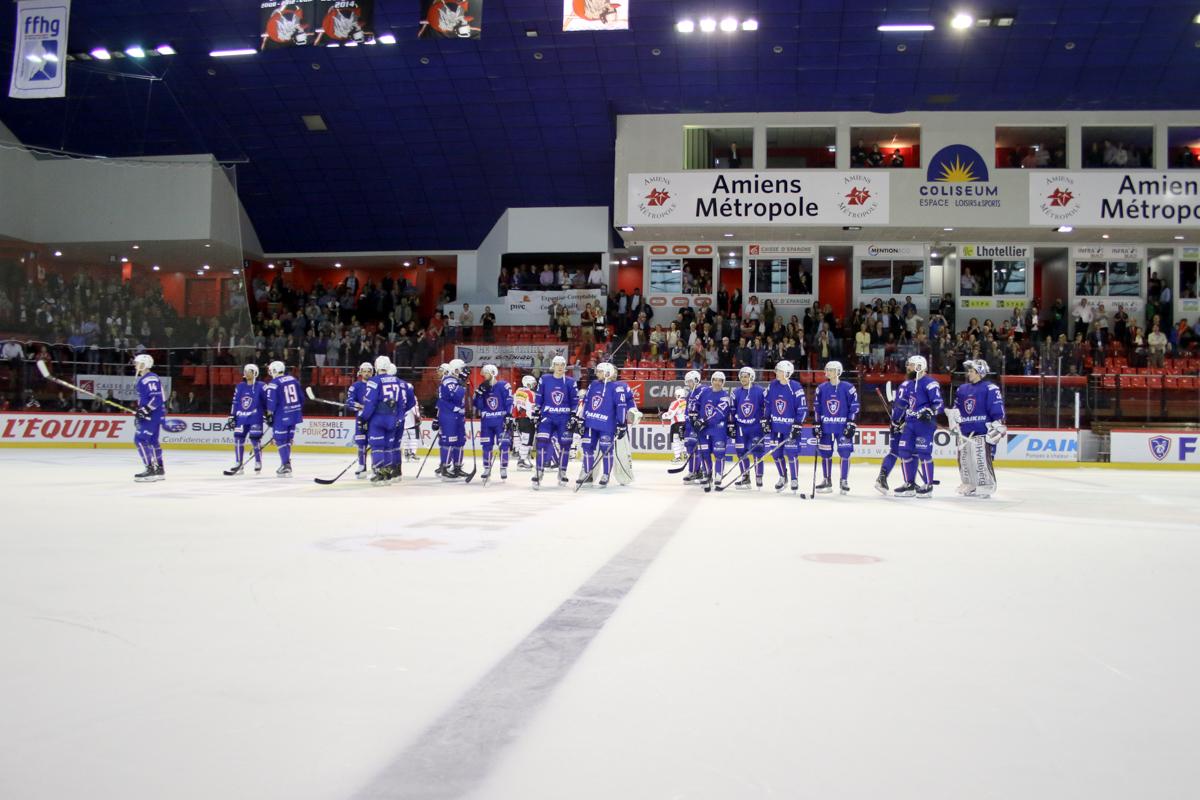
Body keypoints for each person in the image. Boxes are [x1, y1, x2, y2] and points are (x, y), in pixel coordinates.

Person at [948, 359, 1006, 497]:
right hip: (965, 430)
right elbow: (957, 408)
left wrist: (998, 424)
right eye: (969, 371)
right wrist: (953, 418)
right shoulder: (962, 389)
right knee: (964, 460)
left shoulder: (990, 388)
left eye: (971, 371)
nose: (968, 373)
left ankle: (986, 485)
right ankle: (969, 483)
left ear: (980, 372)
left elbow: (996, 409)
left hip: (981, 430)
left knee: (980, 459)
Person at [894, 355, 943, 498]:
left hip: (924, 424)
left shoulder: (930, 383)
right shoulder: (909, 384)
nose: (907, 367)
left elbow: (938, 403)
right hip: (910, 423)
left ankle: (928, 485)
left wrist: (929, 412)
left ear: (919, 367)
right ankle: (909, 484)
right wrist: (897, 420)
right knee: (904, 451)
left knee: (924, 453)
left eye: (910, 365)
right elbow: (903, 404)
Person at [813, 360, 860, 495]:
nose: (828, 372)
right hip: (826, 427)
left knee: (845, 453)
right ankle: (826, 480)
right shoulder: (821, 388)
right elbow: (817, 408)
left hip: (842, 427)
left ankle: (844, 480)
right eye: (827, 369)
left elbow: (854, 407)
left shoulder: (848, 388)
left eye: (831, 370)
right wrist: (816, 423)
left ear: (838, 372)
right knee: (825, 454)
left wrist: (851, 423)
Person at [531, 355, 579, 489]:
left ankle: (562, 471)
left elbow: (575, 400)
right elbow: (539, 396)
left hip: (564, 418)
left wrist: (574, 415)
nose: (560, 367)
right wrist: (536, 411)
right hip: (547, 417)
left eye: (562, 364)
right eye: (557, 364)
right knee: (541, 442)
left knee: (565, 445)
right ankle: (539, 471)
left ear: (565, 366)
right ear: (553, 366)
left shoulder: (570, 382)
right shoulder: (545, 379)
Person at [577, 362, 624, 488]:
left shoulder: (617, 388)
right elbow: (586, 402)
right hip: (590, 423)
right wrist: (581, 419)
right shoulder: (593, 384)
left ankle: (606, 475)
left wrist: (621, 423)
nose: (596, 373)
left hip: (607, 425)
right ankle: (586, 473)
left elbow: (621, 407)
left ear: (607, 373)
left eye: (599, 371)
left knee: (606, 450)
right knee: (587, 448)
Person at [764, 359, 807, 494]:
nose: (776, 372)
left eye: (779, 371)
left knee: (792, 453)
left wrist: (798, 424)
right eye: (777, 370)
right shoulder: (772, 385)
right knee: (776, 454)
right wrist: (765, 419)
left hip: (790, 428)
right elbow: (768, 404)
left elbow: (802, 408)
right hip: (776, 427)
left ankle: (794, 478)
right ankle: (783, 476)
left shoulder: (796, 387)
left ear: (787, 373)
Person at [359, 356, 403, 484]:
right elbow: (401, 403)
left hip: (378, 418)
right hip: (392, 418)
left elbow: (370, 402)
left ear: (376, 366)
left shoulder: (374, 381)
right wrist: (398, 418)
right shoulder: (396, 381)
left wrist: (363, 418)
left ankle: (379, 473)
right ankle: (388, 474)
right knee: (388, 447)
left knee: (377, 446)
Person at [473, 364, 514, 483]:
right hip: (486, 422)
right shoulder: (482, 387)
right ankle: (487, 468)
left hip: (500, 421)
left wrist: (509, 415)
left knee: (504, 445)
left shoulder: (503, 385)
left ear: (492, 373)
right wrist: (479, 394)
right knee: (486, 446)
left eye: (486, 373)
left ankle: (503, 467)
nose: (484, 376)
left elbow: (509, 401)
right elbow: (479, 405)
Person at [694, 371, 734, 493]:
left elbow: (719, 413)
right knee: (704, 453)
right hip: (703, 430)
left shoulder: (725, 396)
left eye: (720, 381)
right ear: (711, 380)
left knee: (719, 454)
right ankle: (707, 474)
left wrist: (703, 421)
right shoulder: (704, 392)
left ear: (723, 382)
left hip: (718, 430)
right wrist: (694, 418)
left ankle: (718, 475)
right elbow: (695, 404)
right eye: (715, 380)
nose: (717, 382)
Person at [262, 361, 304, 477]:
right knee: (288, 440)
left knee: (280, 440)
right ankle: (285, 464)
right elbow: (301, 398)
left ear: (274, 370)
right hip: (295, 414)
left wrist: (269, 415)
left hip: (282, 415)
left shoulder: (274, 383)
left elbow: (271, 402)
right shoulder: (293, 379)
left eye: (271, 370)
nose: (270, 372)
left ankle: (286, 465)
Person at [224, 364, 266, 476]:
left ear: (255, 373)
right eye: (246, 371)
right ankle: (238, 463)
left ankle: (258, 461)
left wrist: (268, 414)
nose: (246, 373)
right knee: (238, 438)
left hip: (255, 417)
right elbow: (235, 402)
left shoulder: (262, 386)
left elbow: (267, 402)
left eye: (249, 371)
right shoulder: (240, 386)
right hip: (241, 417)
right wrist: (232, 416)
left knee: (255, 439)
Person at [728, 366, 767, 490]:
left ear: (752, 377)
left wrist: (766, 421)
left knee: (758, 452)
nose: (743, 379)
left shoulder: (760, 391)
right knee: (741, 453)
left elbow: (767, 407)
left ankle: (759, 476)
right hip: (741, 428)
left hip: (756, 427)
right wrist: (731, 424)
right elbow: (732, 410)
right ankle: (745, 478)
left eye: (746, 376)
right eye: (742, 376)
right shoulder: (735, 392)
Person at [874, 379, 912, 495]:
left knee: (896, 453)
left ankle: (883, 478)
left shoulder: (906, 388)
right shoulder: (909, 389)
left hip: (902, 426)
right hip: (900, 427)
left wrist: (897, 423)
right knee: (900, 453)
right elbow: (901, 409)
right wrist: (897, 423)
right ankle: (908, 482)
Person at [132, 354, 166, 482]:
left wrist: (145, 410)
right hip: (155, 414)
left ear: (144, 364)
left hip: (152, 415)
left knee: (140, 439)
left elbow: (156, 398)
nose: (135, 365)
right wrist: (141, 410)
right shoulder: (148, 378)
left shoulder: (149, 378)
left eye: (137, 363)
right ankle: (159, 469)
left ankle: (150, 470)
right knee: (152, 441)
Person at [435, 359, 468, 479]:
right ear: (456, 370)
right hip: (449, 415)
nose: (464, 371)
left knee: (460, 441)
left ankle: (457, 467)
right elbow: (456, 396)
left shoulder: (456, 380)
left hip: (458, 415)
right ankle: (445, 467)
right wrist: (462, 383)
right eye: (462, 369)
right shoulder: (449, 380)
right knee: (449, 441)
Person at [346, 362, 374, 478]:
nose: (366, 373)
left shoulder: (376, 384)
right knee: (361, 442)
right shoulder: (355, 386)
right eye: (364, 371)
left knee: (375, 442)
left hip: (374, 418)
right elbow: (349, 401)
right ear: (360, 372)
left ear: (372, 372)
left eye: (369, 371)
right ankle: (362, 465)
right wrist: (357, 405)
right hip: (361, 418)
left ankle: (376, 466)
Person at [681, 370, 706, 484]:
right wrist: (684, 425)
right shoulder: (690, 394)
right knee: (689, 447)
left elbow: (707, 407)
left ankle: (694, 472)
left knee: (695, 448)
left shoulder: (704, 390)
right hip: (690, 425)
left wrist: (701, 421)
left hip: (698, 425)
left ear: (696, 380)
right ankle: (697, 471)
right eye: (687, 382)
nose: (688, 384)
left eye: (690, 381)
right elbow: (687, 411)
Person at [512, 375, 537, 469]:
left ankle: (521, 458)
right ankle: (521, 461)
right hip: (527, 419)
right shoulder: (530, 393)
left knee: (523, 439)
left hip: (519, 419)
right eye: (533, 384)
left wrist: (515, 417)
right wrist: (534, 418)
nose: (533, 386)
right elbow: (531, 407)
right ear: (528, 383)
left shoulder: (518, 391)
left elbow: (514, 405)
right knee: (527, 440)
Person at [662, 386, 689, 465]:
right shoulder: (688, 402)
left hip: (677, 424)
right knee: (683, 440)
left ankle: (678, 457)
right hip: (686, 423)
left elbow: (670, 414)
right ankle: (686, 455)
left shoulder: (676, 403)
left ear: (678, 395)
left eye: (676, 395)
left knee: (675, 440)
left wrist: (663, 415)